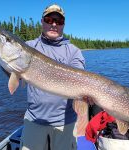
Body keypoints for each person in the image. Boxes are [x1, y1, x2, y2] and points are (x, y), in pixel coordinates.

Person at [20, 4, 88, 150]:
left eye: (59, 21)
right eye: (49, 19)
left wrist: (85, 94)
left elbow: (79, 75)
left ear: (63, 25)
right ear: (42, 21)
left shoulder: (73, 52)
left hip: (66, 123)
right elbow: (13, 74)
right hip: (34, 120)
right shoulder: (29, 47)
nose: (54, 24)